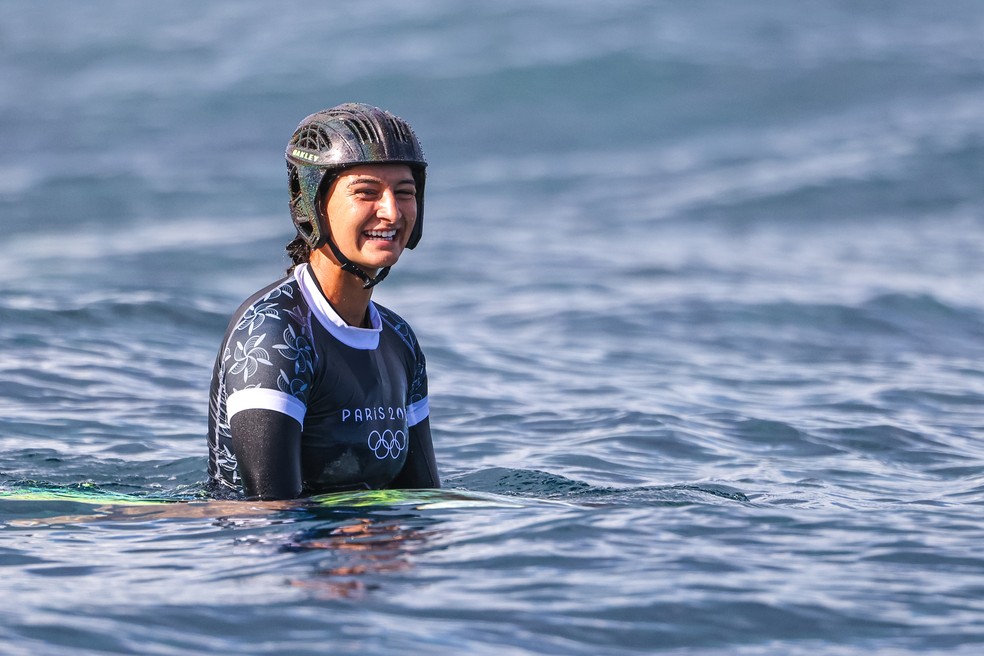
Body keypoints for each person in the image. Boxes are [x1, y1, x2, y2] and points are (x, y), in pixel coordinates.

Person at [206, 103, 440, 500]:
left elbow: (424, 499)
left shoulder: (399, 339)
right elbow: (271, 515)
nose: (392, 211)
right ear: (311, 204)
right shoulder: (273, 333)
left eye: (405, 193)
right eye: (366, 192)